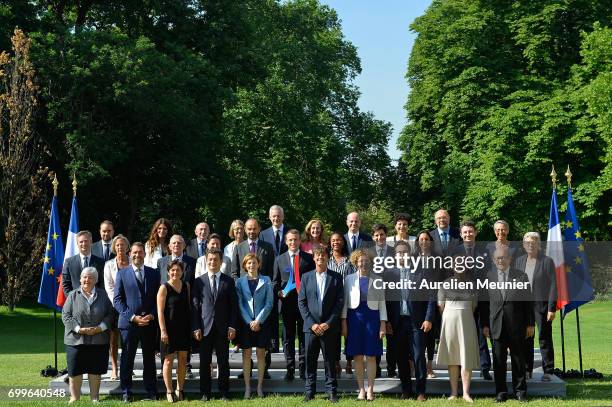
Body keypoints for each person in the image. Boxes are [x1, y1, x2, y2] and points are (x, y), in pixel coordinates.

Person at [482, 247, 535, 403]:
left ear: (510, 259)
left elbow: (528, 302)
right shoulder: (488, 277)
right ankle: (501, 393)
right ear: (493, 260)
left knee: (519, 360)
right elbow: (484, 304)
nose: (500, 260)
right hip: (496, 325)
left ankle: (520, 392)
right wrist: (484, 324)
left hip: (517, 325)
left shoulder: (521, 276)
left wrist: (530, 324)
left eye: (503, 257)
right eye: (497, 258)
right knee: (499, 361)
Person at [385, 240, 435, 401]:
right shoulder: (389, 274)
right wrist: (386, 322)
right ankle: (406, 389)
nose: (402, 255)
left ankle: (421, 391)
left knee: (419, 355)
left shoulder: (420, 272)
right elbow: (383, 300)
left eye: (405, 252)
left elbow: (431, 297)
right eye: (399, 252)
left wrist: (428, 318)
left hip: (417, 321)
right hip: (397, 322)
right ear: (395, 255)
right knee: (400, 357)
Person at [114, 242, 161, 402]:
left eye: (140, 252)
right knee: (127, 359)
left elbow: (158, 298)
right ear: (130, 254)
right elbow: (118, 300)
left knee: (149, 359)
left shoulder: (154, 273)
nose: (137, 255)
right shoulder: (122, 274)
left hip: (149, 323)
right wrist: (133, 317)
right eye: (134, 252)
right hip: (129, 325)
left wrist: (152, 315)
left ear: (144, 254)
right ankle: (126, 391)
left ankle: (151, 391)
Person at [191, 248, 238, 401]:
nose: (212, 262)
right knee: (205, 362)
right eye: (210, 259)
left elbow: (234, 306)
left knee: (223, 362)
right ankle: (205, 392)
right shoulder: (199, 282)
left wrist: (232, 326)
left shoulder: (229, 281)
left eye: (215, 259)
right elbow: (195, 307)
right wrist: (196, 326)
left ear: (221, 261)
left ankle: (224, 392)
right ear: (206, 260)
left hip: (223, 328)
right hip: (204, 328)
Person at [62, 267, 115, 403]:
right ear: (80, 279)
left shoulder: (103, 295)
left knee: (95, 370)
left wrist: (100, 328)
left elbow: (110, 314)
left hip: (98, 339)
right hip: (75, 340)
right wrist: (79, 329)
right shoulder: (72, 295)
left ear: (96, 280)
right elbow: (66, 316)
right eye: (84, 277)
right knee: (75, 370)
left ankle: (94, 398)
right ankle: (74, 398)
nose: (87, 280)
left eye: (90, 277)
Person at [298, 247, 344, 403]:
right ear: (314, 258)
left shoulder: (336, 277)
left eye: (323, 255)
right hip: (311, 328)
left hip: (329, 328)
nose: (320, 258)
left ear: (327, 257)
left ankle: (332, 392)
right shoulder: (305, 277)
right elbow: (302, 303)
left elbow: (339, 303)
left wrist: (328, 323)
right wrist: (312, 324)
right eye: (317, 255)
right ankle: (309, 392)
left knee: (330, 361)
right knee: (310, 361)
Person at [342, 249, 386, 401]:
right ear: (355, 262)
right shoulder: (348, 279)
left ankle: (371, 390)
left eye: (366, 260)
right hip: (354, 318)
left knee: (372, 355)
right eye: (360, 260)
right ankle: (361, 389)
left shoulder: (378, 279)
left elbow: (382, 304)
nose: (363, 263)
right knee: (358, 356)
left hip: (372, 318)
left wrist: (383, 324)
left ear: (370, 262)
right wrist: (343, 322)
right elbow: (345, 303)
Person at [436, 255, 480, 402]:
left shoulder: (473, 284)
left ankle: (466, 393)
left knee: (466, 357)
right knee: (453, 357)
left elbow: (473, 306)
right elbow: (441, 306)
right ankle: (454, 392)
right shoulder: (445, 284)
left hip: (467, 322)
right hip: (449, 323)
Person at [452, 221, 493, 380]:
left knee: (482, 333)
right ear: (461, 235)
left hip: (481, 299)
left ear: (475, 233)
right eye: (465, 232)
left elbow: (489, 273)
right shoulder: (455, 251)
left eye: (470, 232)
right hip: (462, 301)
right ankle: (461, 368)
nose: (468, 234)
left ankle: (484, 368)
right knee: (461, 335)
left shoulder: (485, 252)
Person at [272, 229, 315, 380]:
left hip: (304, 305)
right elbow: (275, 282)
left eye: (295, 240)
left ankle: (303, 369)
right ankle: (290, 368)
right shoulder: (279, 259)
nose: (293, 242)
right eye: (290, 240)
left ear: (299, 241)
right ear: (286, 242)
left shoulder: (309, 259)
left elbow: (313, 281)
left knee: (304, 337)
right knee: (288, 337)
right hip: (286, 304)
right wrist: (278, 292)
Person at [514, 232, 557, 381]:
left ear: (538, 244)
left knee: (544, 337)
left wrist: (552, 308)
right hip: (523, 306)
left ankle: (548, 371)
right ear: (523, 245)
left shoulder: (547, 261)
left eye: (533, 242)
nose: (530, 244)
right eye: (527, 242)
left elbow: (553, 286)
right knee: (526, 337)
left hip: (542, 307)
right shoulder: (518, 261)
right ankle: (527, 370)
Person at [236, 253, 274, 399]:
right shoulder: (239, 282)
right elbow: (240, 304)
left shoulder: (266, 280)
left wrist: (258, 321)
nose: (252, 265)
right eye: (249, 263)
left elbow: (269, 303)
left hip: (262, 323)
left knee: (260, 354)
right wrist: (249, 321)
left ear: (258, 264)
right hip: (246, 324)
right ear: (245, 266)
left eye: (254, 263)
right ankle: (247, 388)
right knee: (246, 355)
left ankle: (259, 387)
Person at [157, 260, 191, 402]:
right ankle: (169, 391)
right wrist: (163, 331)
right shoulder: (164, 287)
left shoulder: (187, 286)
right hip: (168, 330)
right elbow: (160, 312)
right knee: (168, 361)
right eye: (173, 270)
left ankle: (180, 388)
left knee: (183, 360)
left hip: (183, 329)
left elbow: (188, 307)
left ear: (182, 272)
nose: (175, 273)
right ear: (168, 271)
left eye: (178, 270)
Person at [413, 231, 443, 380]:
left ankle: (430, 366)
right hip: (417, 301)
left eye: (426, 239)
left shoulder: (438, 259)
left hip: (434, 298)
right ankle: (418, 365)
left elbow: (442, 278)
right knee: (417, 333)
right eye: (421, 239)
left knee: (430, 335)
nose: (424, 241)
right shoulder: (412, 258)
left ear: (430, 242)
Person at [327, 232, 355, 375]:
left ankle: (349, 361)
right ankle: (336, 361)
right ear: (330, 243)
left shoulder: (349, 261)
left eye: (338, 240)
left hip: (348, 300)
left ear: (343, 242)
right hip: (331, 302)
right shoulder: (327, 261)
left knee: (347, 333)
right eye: (333, 240)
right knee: (334, 334)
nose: (336, 242)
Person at [103, 234, 130, 381]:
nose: (120, 247)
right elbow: (109, 288)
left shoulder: (133, 262)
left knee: (129, 339)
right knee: (113, 340)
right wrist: (119, 305)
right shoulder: (109, 265)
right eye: (117, 245)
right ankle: (114, 368)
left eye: (122, 245)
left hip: (132, 306)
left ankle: (128, 366)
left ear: (127, 247)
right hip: (115, 307)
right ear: (114, 247)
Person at [62, 230, 105, 297]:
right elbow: (65, 284)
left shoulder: (101, 262)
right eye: (81, 242)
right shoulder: (69, 262)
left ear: (91, 242)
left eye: (86, 241)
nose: (84, 244)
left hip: (96, 300)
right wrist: (72, 298)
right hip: (76, 301)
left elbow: (102, 283)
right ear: (77, 244)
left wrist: (98, 297)